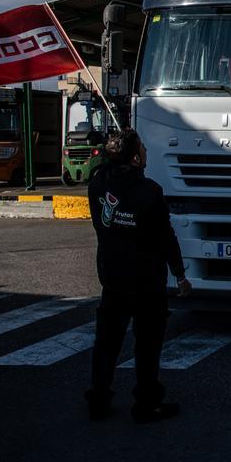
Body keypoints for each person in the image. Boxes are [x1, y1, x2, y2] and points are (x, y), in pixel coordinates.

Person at [85, 129, 190, 423]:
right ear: (134, 157)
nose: (147, 152)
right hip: (146, 282)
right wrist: (179, 273)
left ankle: (99, 399)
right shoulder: (149, 192)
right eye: (142, 148)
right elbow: (166, 237)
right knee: (147, 346)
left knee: (106, 344)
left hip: (112, 277)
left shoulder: (97, 186)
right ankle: (146, 403)